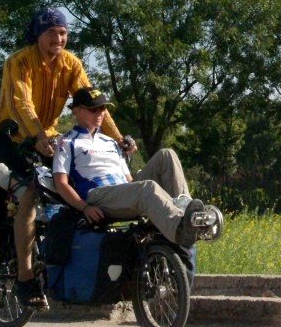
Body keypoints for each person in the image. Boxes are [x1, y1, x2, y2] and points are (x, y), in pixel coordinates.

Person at [0, 7, 135, 310]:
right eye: (52, 32)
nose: (59, 38)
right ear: (38, 34)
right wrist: (38, 136)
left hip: (48, 136)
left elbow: (93, 105)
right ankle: (26, 278)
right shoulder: (18, 61)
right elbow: (21, 103)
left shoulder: (71, 64)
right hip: (12, 136)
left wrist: (119, 139)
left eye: (63, 33)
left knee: (72, 185)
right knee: (32, 191)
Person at [52, 86, 205, 248]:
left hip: (122, 190)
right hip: (98, 194)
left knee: (167, 154)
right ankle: (179, 229)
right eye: (93, 109)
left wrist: (139, 191)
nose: (100, 113)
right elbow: (61, 183)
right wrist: (84, 207)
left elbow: (129, 180)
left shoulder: (110, 142)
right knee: (148, 188)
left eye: (103, 108)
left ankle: (188, 213)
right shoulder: (66, 142)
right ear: (76, 110)